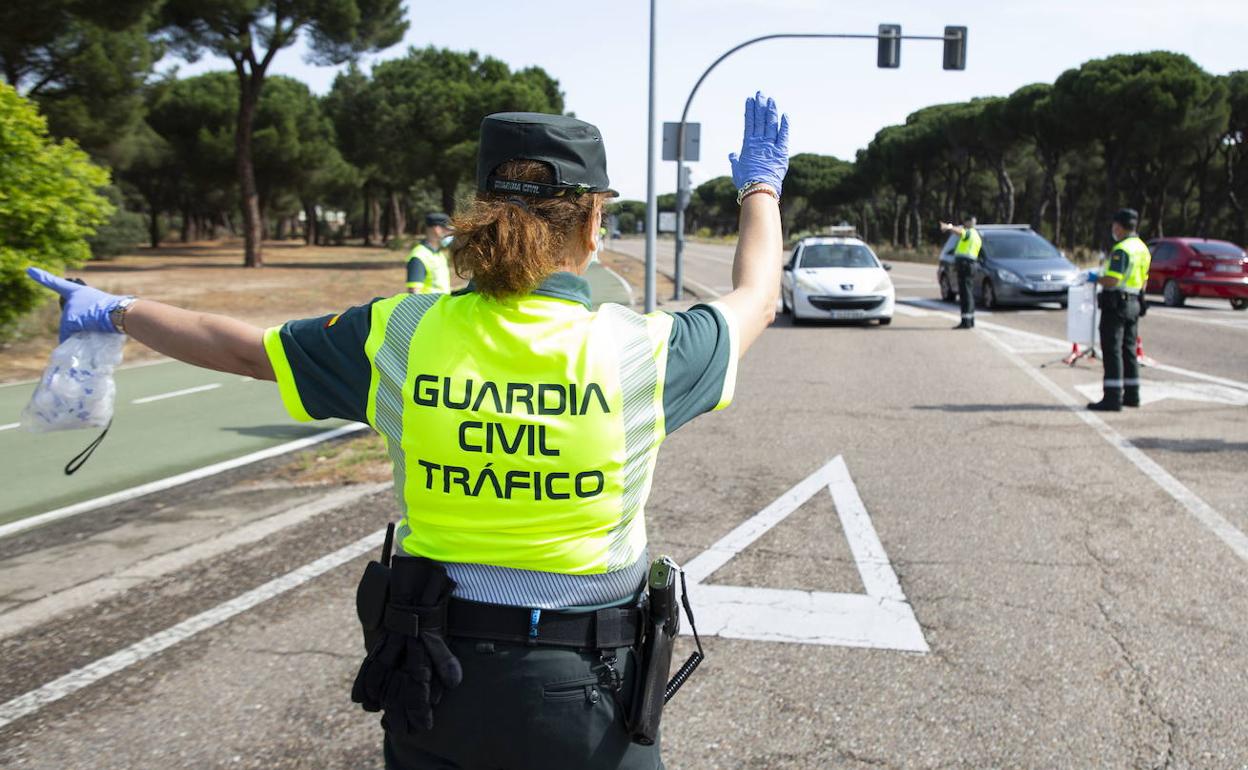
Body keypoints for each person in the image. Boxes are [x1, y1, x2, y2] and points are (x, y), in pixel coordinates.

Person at [26, 90, 791, 769]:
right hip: (583, 695)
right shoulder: (642, 351)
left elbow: (241, 348)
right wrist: (760, 185)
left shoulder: (401, 334)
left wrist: (115, 310)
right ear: (594, 223)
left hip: (430, 682)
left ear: (482, 217)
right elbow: (756, 296)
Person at [1088, 208, 1151, 411]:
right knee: (1129, 350)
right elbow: (1144, 281)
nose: (1113, 229)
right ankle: (1132, 395)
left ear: (1119, 226)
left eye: (1114, 225)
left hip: (1116, 304)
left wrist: (1094, 278)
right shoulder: (1142, 248)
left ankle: (1112, 398)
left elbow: (1112, 279)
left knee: (1112, 350)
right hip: (1134, 302)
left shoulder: (1122, 249)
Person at [940, 214, 983, 329]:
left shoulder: (969, 233)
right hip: (970, 265)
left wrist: (949, 227)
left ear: (969, 222)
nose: (964, 225)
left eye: (965, 222)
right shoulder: (977, 235)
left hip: (965, 265)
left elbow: (961, 232)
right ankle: (970, 320)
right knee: (968, 293)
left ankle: (965, 321)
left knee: (965, 294)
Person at [407, 213, 453, 293]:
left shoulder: (440, 254)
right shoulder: (419, 255)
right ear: (437, 229)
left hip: (441, 305)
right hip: (429, 305)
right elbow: (414, 293)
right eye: (448, 230)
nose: (451, 233)